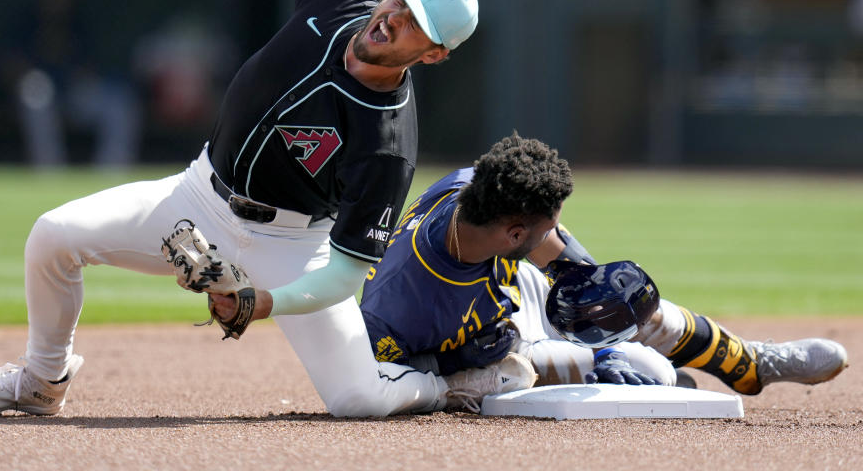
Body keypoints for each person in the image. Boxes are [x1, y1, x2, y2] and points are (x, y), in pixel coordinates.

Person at [0, 0, 496, 418]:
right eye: (401, 0)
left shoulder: (388, 143)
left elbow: (348, 272)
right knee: (53, 237)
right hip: (198, 198)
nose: (393, 17)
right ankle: (41, 382)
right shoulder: (344, 0)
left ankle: (447, 385)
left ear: (432, 54)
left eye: (416, 22)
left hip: (293, 246)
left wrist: (265, 303)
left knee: (359, 399)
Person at [360, 134, 849, 405]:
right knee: (516, 374)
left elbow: (553, 254)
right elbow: (379, 374)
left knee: (627, 304)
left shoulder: (476, 189)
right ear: (513, 234)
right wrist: (450, 368)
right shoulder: (400, 303)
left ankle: (749, 365)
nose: (558, 230)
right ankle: (636, 376)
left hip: (504, 288)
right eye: (550, 223)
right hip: (479, 344)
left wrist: (596, 296)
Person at [4, 0, 141, 166]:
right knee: (35, 93)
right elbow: (11, 66)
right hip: (43, 97)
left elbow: (90, 68)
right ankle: (50, 172)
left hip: (74, 94)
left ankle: (111, 173)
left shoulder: (78, 22)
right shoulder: (27, 22)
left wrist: (81, 78)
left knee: (118, 104)